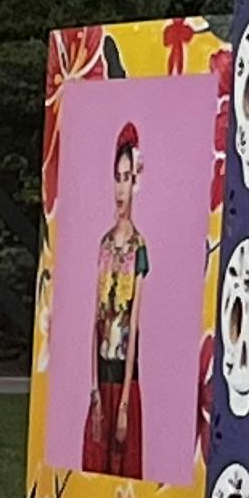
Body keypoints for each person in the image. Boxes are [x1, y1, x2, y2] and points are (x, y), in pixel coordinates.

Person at [81, 121, 150, 478]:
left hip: (124, 381)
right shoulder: (104, 245)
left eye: (126, 177)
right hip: (101, 383)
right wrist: (95, 394)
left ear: (135, 183)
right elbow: (95, 320)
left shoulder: (139, 249)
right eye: (116, 176)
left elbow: (133, 329)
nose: (120, 187)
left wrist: (123, 404)